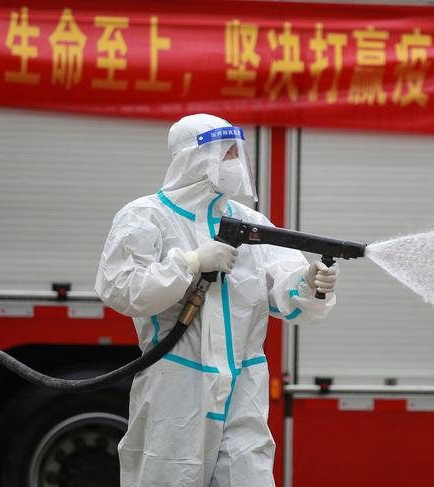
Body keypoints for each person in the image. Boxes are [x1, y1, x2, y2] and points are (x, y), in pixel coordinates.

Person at [95, 114, 338, 486]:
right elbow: (122, 289)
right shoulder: (146, 217)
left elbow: (285, 294)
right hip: (176, 384)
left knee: (248, 476)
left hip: (244, 384)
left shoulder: (251, 222)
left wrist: (308, 282)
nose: (233, 162)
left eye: (234, 152)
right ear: (192, 158)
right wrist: (191, 263)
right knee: (169, 476)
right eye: (223, 153)